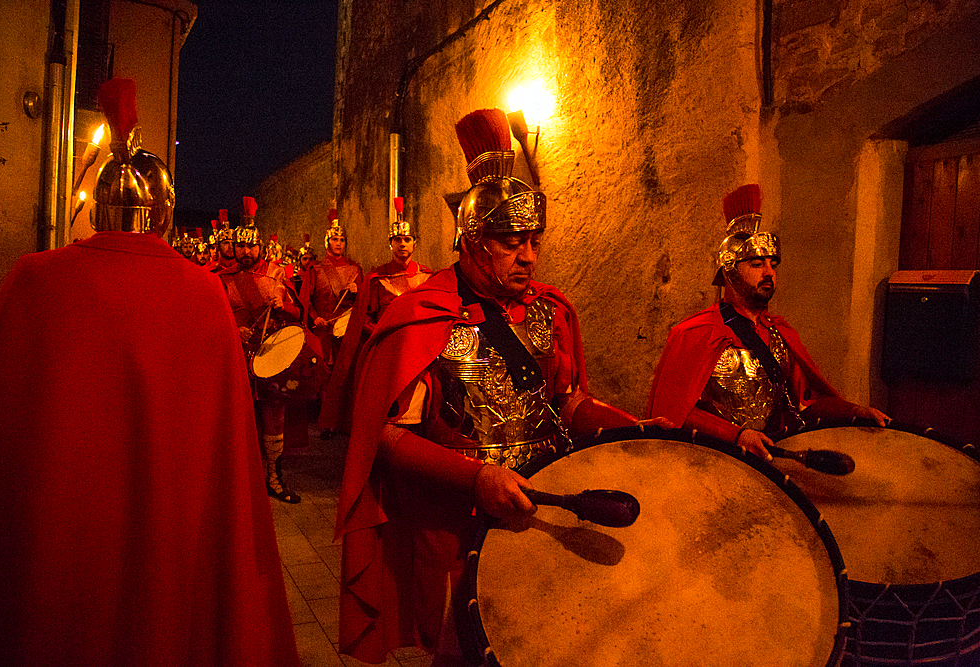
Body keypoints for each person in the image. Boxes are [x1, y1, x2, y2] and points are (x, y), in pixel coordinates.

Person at [0, 77, 298, 667]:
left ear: (95, 207)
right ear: (165, 210)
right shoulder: (202, 292)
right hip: (169, 537)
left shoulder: (30, 279)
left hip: (55, 545)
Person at [335, 108, 671, 665]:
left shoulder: (548, 312)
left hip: (545, 507)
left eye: (533, 240)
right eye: (513, 242)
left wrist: (630, 427)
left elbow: (570, 403)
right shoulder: (424, 317)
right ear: (473, 239)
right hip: (459, 529)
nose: (530, 256)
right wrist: (479, 476)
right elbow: (389, 440)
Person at [648, 183, 888, 460]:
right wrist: (735, 435)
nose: (769, 272)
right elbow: (672, 414)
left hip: (771, 459)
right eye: (756, 264)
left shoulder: (779, 333)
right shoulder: (695, 333)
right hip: (711, 461)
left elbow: (806, 403)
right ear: (729, 271)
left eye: (773, 264)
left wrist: (855, 412)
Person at [219, 197, 326, 502]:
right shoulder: (219, 279)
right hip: (236, 356)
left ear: (260, 247)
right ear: (233, 247)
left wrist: (283, 307)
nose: (246, 252)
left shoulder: (276, 276)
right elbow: (212, 319)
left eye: (251, 247)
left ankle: (273, 476)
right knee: (236, 419)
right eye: (241, 246)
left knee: (274, 416)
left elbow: (296, 316)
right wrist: (232, 329)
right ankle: (237, 479)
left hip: (270, 357)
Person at [317, 195, 432, 437]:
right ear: (391, 244)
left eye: (407, 239)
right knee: (386, 423)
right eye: (397, 240)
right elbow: (364, 319)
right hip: (386, 353)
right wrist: (383, 333)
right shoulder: (376, 279)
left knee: (420, 417)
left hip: (419, 356)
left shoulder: (427, 277)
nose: (402, 244)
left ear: (414, 243)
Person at [303, 211, 363, 367]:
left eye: (342, 240)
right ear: (327, 242)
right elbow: (305, 300)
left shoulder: (354, 269)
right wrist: (315, 317)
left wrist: (358, 290)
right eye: (335, 239)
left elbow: (364, 305)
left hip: (346, 332)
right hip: (322, 330)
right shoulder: (315, 268)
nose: (338, 243)